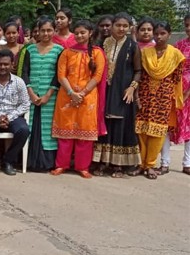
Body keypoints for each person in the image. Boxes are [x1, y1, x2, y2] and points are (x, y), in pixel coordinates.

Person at [50, 21, 106, 178]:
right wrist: (71, 92)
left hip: (88, 98)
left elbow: (97, 76)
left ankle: (83, 167)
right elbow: (61, 75)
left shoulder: (97, 53)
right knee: (65, 134)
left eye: (83, 32)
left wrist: (81, 93)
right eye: (77, 33)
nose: (80, 35)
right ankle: (61, 165)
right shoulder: (67, 52)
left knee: (85, 135)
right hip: (66, 95)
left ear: (90, 33)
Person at [92, 12, 142, 177]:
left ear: (129, 28)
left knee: (120, 127)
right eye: (118, 25)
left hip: (123, 93)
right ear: (112, 26)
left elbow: (138, 71)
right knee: (105, 125)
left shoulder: (132, 46)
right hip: (105, 91)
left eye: (125, 26)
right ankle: (101, 162)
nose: (121, 29)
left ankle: (118, 165)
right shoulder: (102, 44)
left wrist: (132, 88)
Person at [135, 21, 185, 179]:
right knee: (141, 131)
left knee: (157, 133)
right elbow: (140, 75)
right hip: (145, 96)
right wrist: (137, 96)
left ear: (169, 34)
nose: (159, 36)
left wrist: (175, 100)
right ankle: (140, 164)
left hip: (163, 99)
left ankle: (150, 165)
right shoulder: (146, 53)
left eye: (162, 33)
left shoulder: (176, 55)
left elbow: (177, 79)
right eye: (156, 33)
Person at [20, 17, 63, 171]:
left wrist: (48, 95)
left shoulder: (59, 50)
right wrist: (30, 92)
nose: (45, 33)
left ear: (54, 31)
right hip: (31, 94)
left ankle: (46, 163)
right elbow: (24, 72)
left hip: (50, 96)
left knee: (47, 127)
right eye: (42, 30)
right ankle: (29, 161)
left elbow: (58, 75)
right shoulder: (29, 49)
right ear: (37, 31)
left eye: (49, 30)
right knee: (30, 124)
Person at [160, 14, 190, 175]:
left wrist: (187, 94)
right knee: (168, 125)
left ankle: (187, 163)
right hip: (174, 91)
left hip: (188, 93)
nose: (188, 28)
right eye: (186, 25)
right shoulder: (178, 46)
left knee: (189, 129)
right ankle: (164, 162)